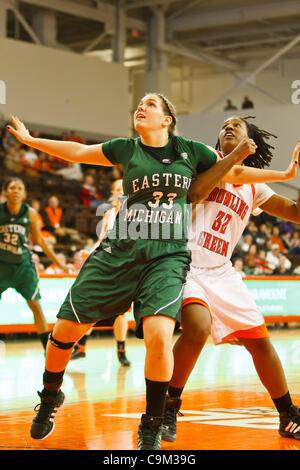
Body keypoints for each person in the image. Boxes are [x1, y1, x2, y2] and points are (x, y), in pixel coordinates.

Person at [7, 95, 259, 450]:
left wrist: (284, 175)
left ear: (167, 119)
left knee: (158, 335)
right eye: (138, 104)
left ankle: (151, 426)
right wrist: (32, 141)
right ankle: (49, 398)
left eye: (150, 104)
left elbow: (234, 172)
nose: (141, 107)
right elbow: (77, 153)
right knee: (64, 331)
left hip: (166, 254)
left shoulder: (192, 150)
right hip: (120, 248)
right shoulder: (126, 148)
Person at [160, 116, 300, 443]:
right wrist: (233, 158)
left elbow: (295, 213)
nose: (228, 126)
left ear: (251, 139)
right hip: (186, 260)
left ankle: (287, 414)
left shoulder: (255, 186)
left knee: (261, 342)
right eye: (224, 124)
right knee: (197, 328)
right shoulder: (202, 161)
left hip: (222, 269)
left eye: (237, 124)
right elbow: (194, 194)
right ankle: (168, 406)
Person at [0, 177, 68, 350]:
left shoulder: (29, 212)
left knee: (36, 305)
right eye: (12, 187)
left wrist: (58, 263)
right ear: (5, 192)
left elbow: (39, 241)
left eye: (19, 188)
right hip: (2, 265)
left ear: (24, 193)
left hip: (22, 266)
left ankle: (47, 349)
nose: (15, 191)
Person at [71, 179, 131, 366]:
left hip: (125, 266)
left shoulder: (136, 213)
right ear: (113, 193)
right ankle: (81, 348)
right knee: (92, 305)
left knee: (121, 313)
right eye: (117, 189)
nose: (120, 191)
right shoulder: (109, 214)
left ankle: (121, 351)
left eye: (123, 187)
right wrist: (90, 252)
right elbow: (101, 241)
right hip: (106, 263)